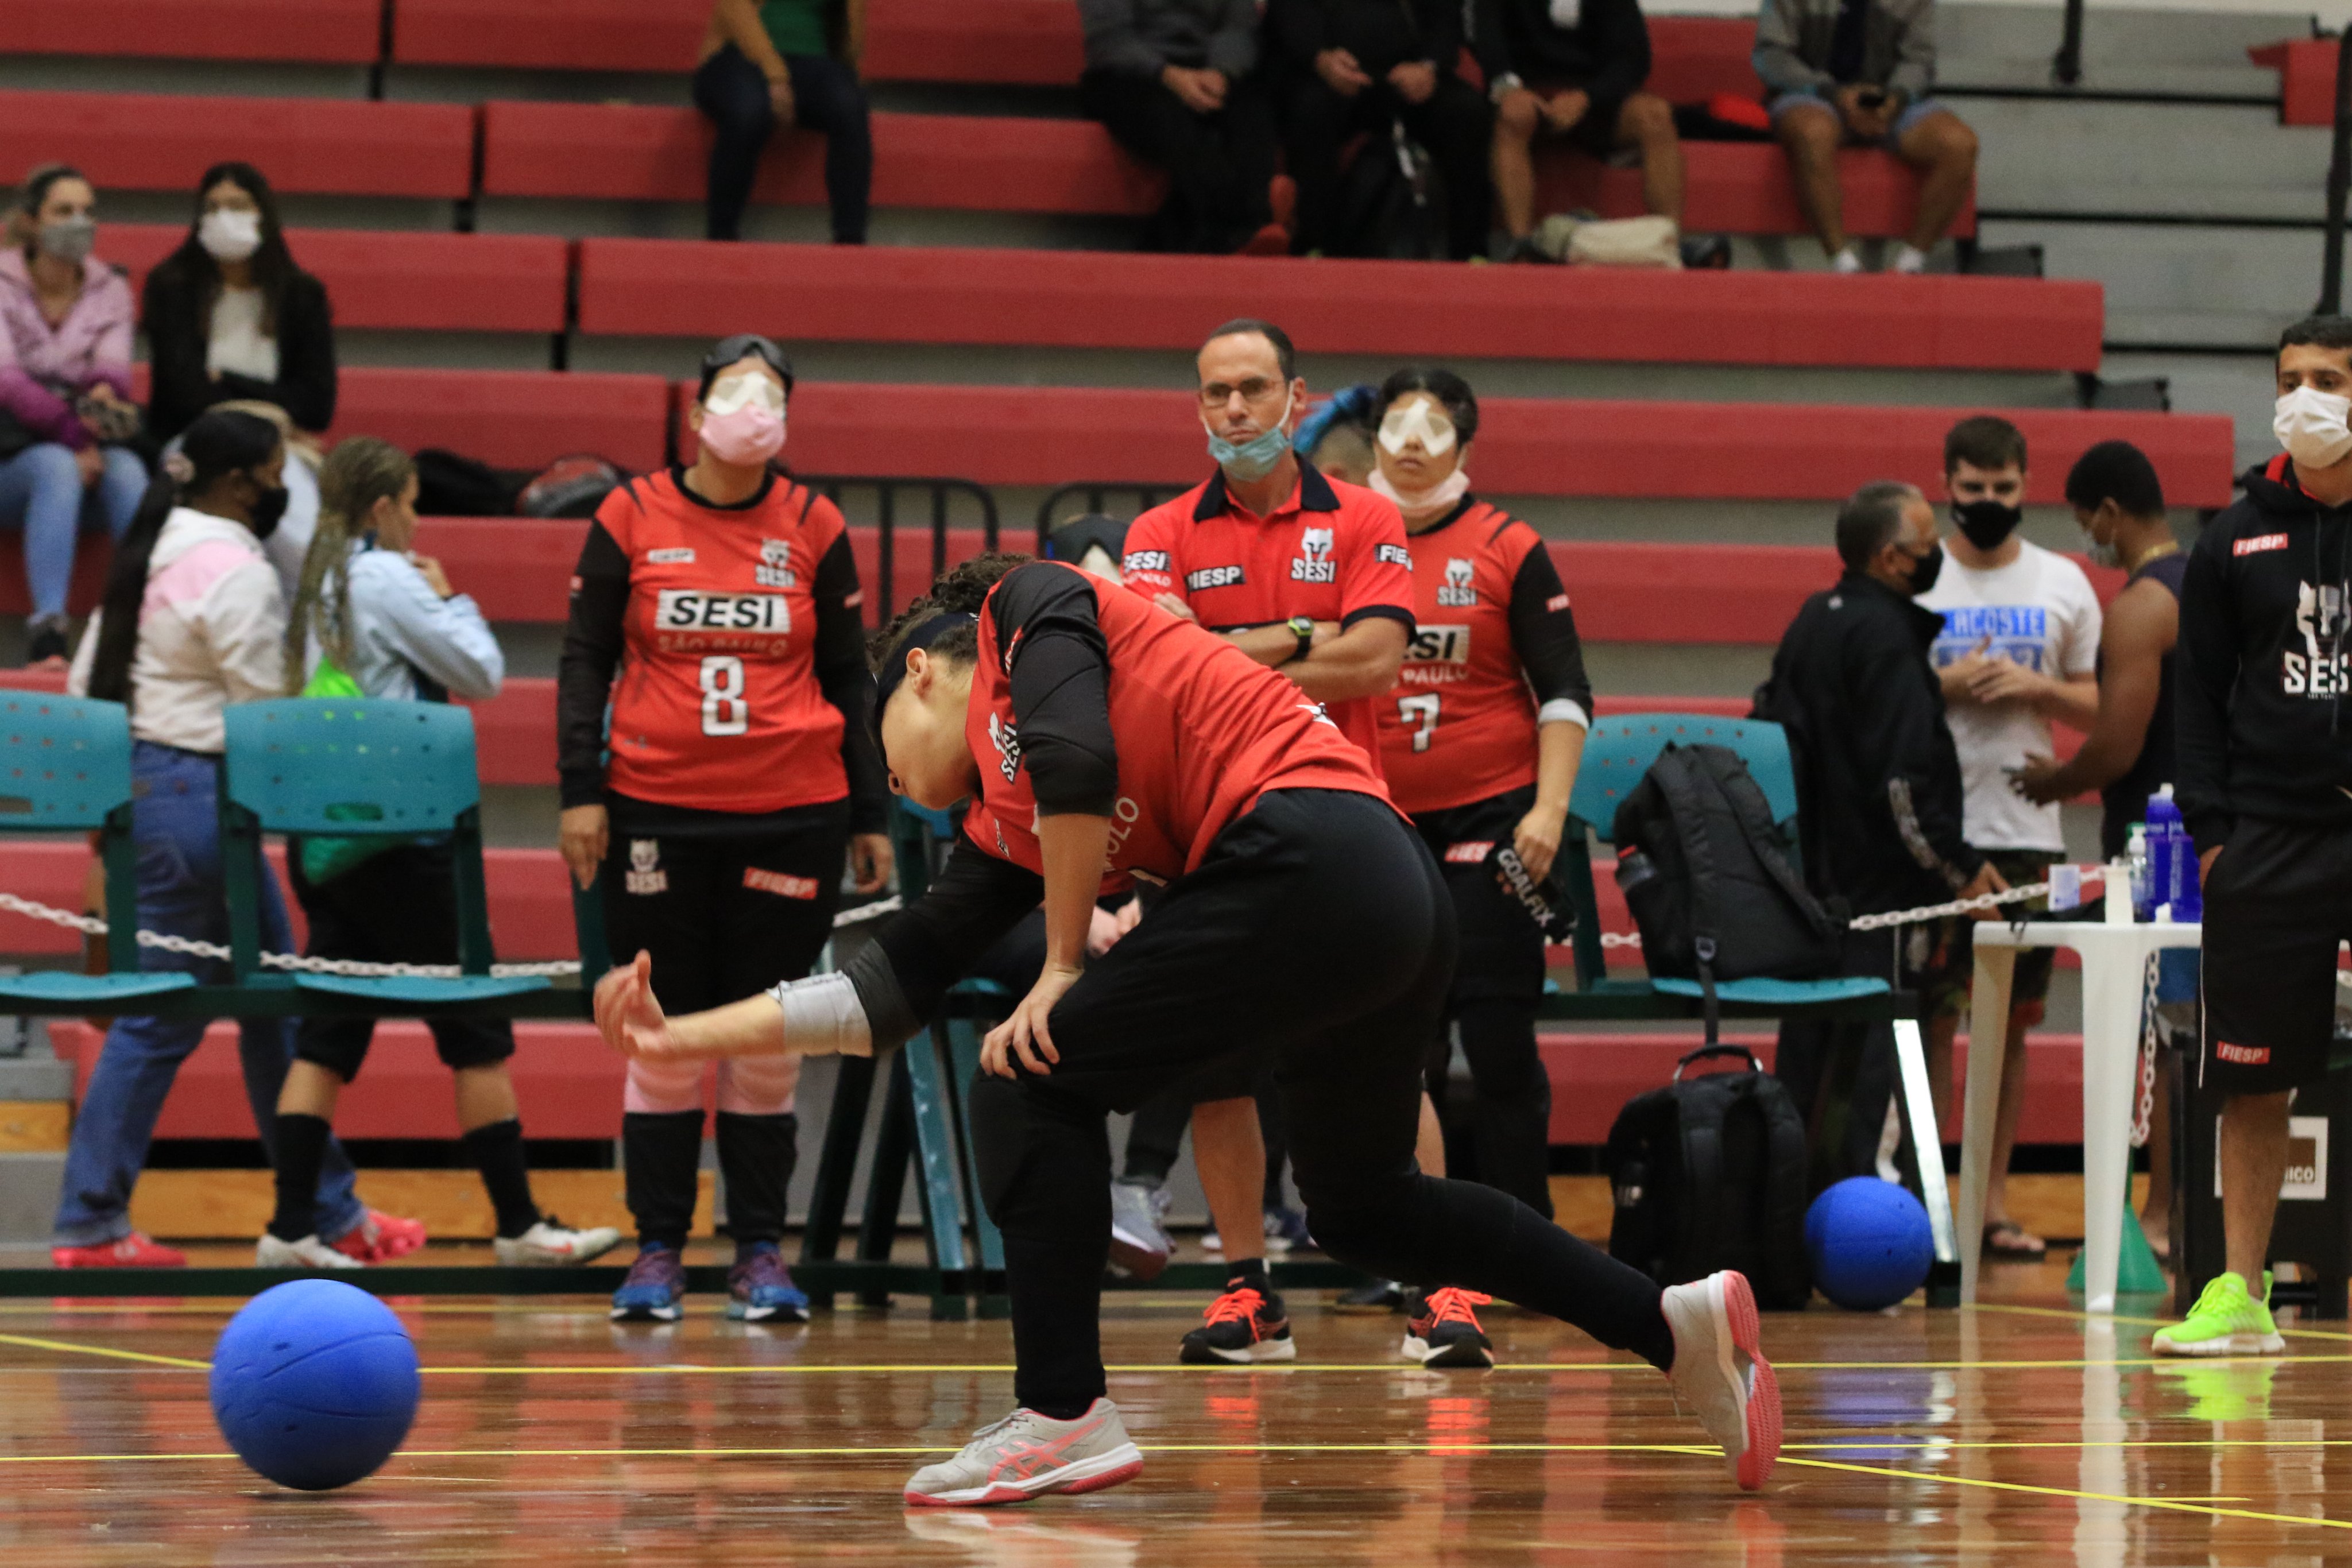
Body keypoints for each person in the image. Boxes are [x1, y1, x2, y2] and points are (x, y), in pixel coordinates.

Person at [593, 550, 1782, 1504]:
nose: (894, 788)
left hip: (1309, 855)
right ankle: (1666, 1322)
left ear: (917, 677)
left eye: (885, 758)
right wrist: (679, 1037)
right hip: (1386, 896)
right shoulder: (1009, 823)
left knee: (1027, 1077)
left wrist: (1061, 966)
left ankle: (1061, 1412)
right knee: (1365, 1206)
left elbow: (1074, 753)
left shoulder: (1034, 601)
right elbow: (886, 985)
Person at [557, 334, 893, 1325]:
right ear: (696, 409)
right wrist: (583, 790)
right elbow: (584, 659)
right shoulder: (631, 512)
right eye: (736, 390)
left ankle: (758, 1250)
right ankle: (658, 1248)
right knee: (660, 1036)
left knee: (767, 1038)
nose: (755, 407)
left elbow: (847, 671)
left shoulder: (813, 521)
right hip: (656, 809)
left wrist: (868, 808)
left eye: (774, 393)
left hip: (793, 814)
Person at [51, 411, 420, 1269]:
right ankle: (95, 1221)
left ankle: (319, 1210)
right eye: (272, 471)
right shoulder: (234, 568)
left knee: (263, 1009)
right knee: (165, 1017)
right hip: (196, 797)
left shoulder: (154, 550)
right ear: (238, 483)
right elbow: (262, 715)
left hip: (145, 794)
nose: (280, 487)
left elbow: (82, 681)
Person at [1114, 318, 1413, 1364]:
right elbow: (1155, 674)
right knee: (1222, 1071)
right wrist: (1299, 635)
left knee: (1393, 1064)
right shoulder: (1156, 533)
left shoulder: (1370, 516)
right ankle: (1249, 1291)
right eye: (1214, 394)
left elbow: (1375, 661)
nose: (1233, 410)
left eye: (1252, 390)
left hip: (1347, 822)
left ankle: (1439, 1285)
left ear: (1296, 398)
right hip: (1213, 837)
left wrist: (1222, 654)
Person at [257, 438, 622, 1271]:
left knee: (327, 1037)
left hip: (332, 845)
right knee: (476, 1031)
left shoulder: (314, 582)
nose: (419, 518)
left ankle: (287, 1227)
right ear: (385, 508)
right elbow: (483, 671)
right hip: (406, 840)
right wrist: (451, 596)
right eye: (414, 503)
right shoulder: (386, 576)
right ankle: (521, 1224)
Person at [1350, 367, 1593, 1365]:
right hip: (1372, 823)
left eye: (1434, 425)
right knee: (1394, 1056)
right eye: (1396, 423)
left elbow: (1565, 687)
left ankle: (1521, 1240)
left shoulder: (1508, 547)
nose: (1412, 441)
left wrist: (1547, 809)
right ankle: (1409, 1248)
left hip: (1492, 823)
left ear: (1466, 444)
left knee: (1497, 1050)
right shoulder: (1340, 541)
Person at [2157, 314, 2352, 1355]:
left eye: (2328, 378)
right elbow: (2194, 700)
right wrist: (2213, 833)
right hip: (2267, 837)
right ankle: (2239, 1294)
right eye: (2290, 378)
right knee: (2252, 1075)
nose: (2305, 396)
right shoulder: (2235, 537)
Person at [1759, 481, 2005, 1190]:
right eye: (1927, 546)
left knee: (1805, 1057)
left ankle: (1786, 1212)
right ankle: (1875, 1217)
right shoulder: (1889, 638)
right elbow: (1901, 785)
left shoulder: (1812, 620)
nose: (1936, 557)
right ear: (1893, 559)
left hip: (1811, 891)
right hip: (1885, 901)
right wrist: (1956, 868)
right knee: (1879, 1066)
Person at [1915, 416, 2100, 1261]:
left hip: (2028, 832)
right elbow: (1878, 683)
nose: (1987, 502)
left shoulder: (2064, 580)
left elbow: (2104, 706)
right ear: (1948, 483)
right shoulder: (1919, 575)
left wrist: (2035, 685)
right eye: (1973, 487)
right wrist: (1943, 681)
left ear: (2027, 485)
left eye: (2004, 489)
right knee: (1930, 1022)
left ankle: (1990, 1204)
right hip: (1935, 831)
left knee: (2013, 1026)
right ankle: (1926, 1204)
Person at [2013, 438, 2184, 1257]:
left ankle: (2158, 1210)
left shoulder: (2141, 604)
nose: (2089, 535)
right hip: (2218, 831)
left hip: (2160, 847)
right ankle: (2189, 1206)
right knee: (2201, 1026)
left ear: (2111, 512)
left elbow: (2119, 743)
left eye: (2087, 521)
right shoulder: (2212, 585)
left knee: (2157, 1031)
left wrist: (2054, 781)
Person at [141, 163, 335, 593]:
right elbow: (183, 395)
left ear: (262, 214)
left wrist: (227, 380)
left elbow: (318, 403)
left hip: (278, 445)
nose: (223, 216)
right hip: (193, 439)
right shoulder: (171, 287)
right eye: (212, 207)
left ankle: (308, 650)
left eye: (237, 206)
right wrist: (271, 406)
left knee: (299, 539)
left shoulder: (302, 295)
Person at [0, 164, 145, 667]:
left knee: (131, 473)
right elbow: (8, 383)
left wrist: (103, 397)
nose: (79, 221)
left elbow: (113, 374)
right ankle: (48, 635)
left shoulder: (111, 288)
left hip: (86, 450)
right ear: (33, 222)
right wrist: (73, 434)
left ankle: (147, 627)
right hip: (11, 456)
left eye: (87, 211)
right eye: (64, 210)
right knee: (55, 466)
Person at [1753, 0, 1977, 274]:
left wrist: (1893, 99)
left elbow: (1921, 61)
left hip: (1889, 100)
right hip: (1810, 94)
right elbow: (1771, 56)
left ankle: (1910, 266)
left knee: (1960, 144)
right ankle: (1843, 265)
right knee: (1814, 133)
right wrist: (1833, 93)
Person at [1267, 0, 1493, 261]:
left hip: (1410, 73)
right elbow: (1287, 13)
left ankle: (1470, 251)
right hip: (1328, 73)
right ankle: (1312, 246)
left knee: (1467, 112)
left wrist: (1429, 65)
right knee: (1310, 110)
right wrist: (1320, 58)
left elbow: (1445, 17)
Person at [1473, 0, 1684, 260]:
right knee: (1513, 114)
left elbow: (1634, 58)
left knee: (1656, 116)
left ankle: (1669, 242)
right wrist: (1511, 89)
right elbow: (1487, 40)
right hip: (1529, 93)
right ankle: (1522, 246)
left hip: (1595, 99)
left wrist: (1588, 98)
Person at [1078, 0, 1289, 255]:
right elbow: (1110, 41)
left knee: (1253, 113)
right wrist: (1171, 76)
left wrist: (1221, 73)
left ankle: (1188, 242)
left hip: (1208, 68)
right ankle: (1245, 224)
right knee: (1172, 123)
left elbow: (1239, 26)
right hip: (1131, 72)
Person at [694, 0, 872, 245]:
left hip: (813, 62)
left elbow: (848, 34)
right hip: (736, 55)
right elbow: (735, 8)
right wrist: (774, 72)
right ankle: (721, 235)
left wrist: (848, 75)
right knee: (750, 111)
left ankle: (850, 240)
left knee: (850, 106)